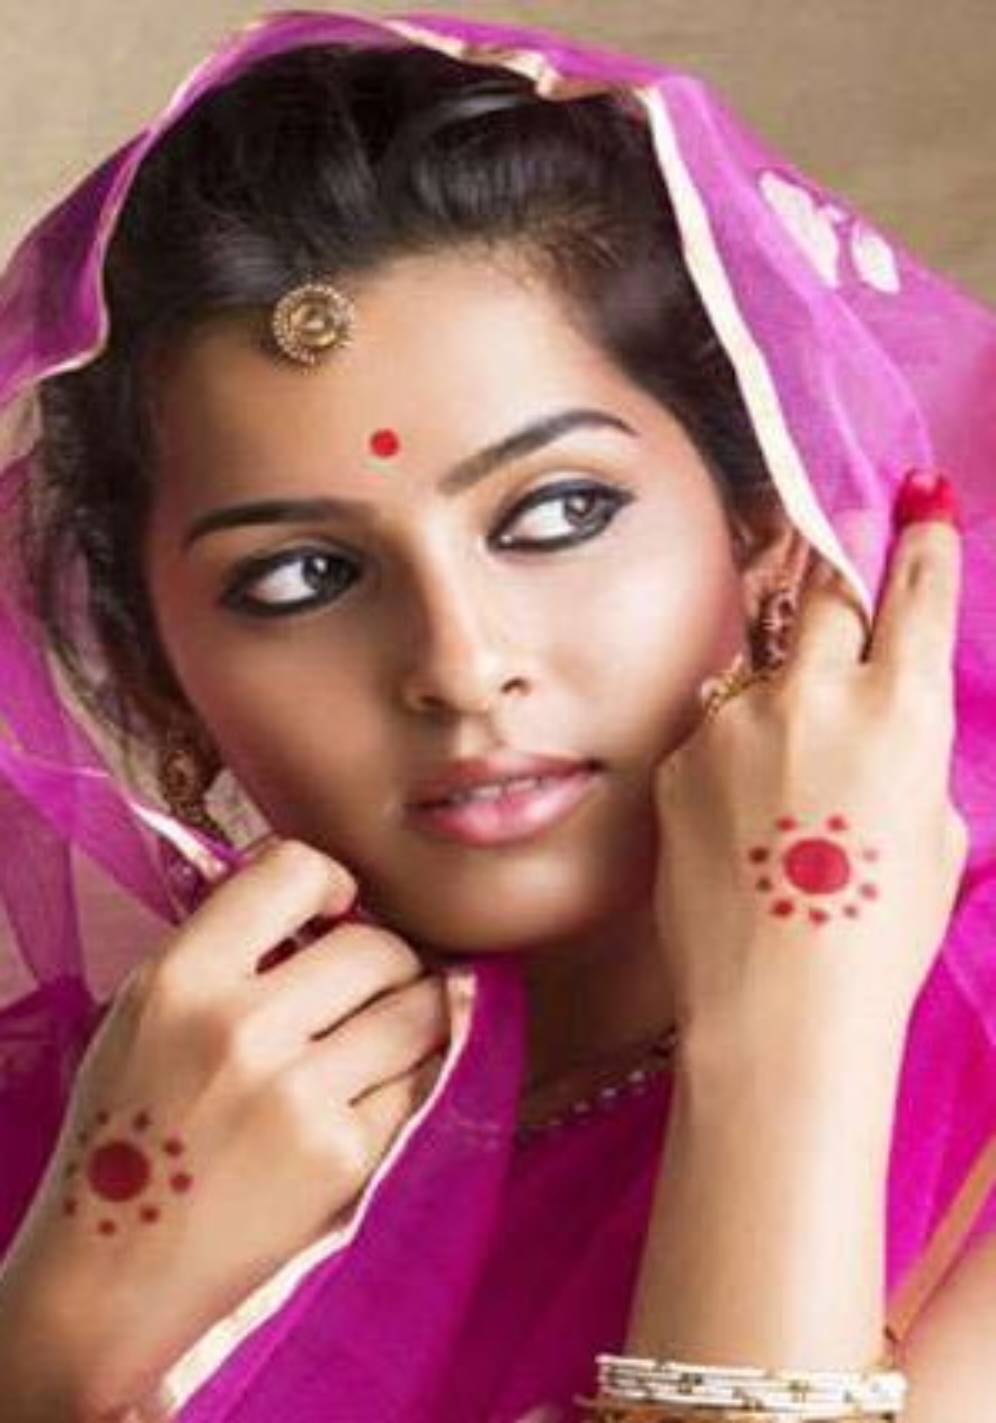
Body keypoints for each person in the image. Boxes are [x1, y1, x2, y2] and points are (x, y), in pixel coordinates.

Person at [0, 9, 993, 1420]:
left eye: (561, 513)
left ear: (767, 531)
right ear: (161, 676)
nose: (462, 666)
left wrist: (789, 1037)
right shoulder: (131, 1137)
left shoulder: (969, 1069)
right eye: (301, 577)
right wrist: (55, 1336)